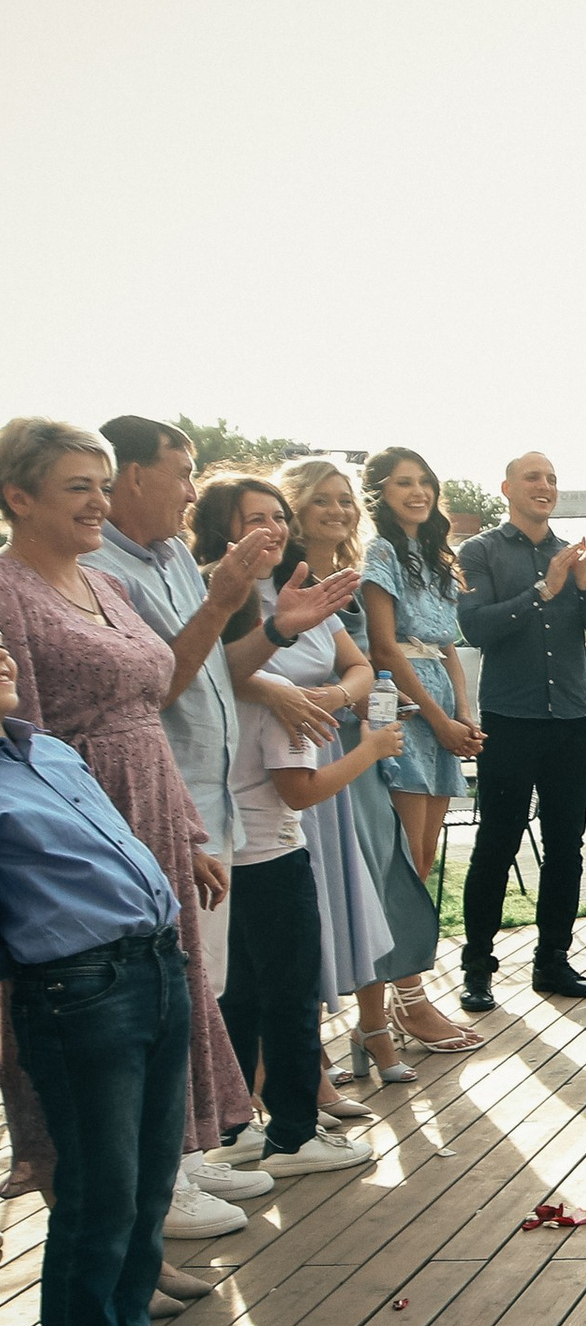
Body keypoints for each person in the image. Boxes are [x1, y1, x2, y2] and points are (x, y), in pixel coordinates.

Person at [90, 414, 359, 1236]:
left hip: (210, 809)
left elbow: (221, 671)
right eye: (181, 469)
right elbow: (158, 690)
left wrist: (277, 629)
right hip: (157, 806)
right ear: (132, 476)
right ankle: (165, 1181)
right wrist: (227, 603)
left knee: (203, 990)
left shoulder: (169, 556)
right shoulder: (106, 570)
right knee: (182, 994)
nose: (189, 485)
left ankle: (189, 1158)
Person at [0, 419, 255, 1171]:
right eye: (78, 488)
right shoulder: (7, 591)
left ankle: (156, 1204)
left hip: (151, 819)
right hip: (81, 835)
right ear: (18, 497)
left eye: (103, 488)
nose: (98, 505)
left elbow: (149, 714)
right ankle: (95, 1215)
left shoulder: (106, 583)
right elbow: (23, 745)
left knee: (163, 1012)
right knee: (96, 1028)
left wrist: (185, 831)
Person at [0, 633, 233, 1326]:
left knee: (141, 1188)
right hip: (76, 991)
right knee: (96, 1200)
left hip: (152, 966)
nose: (2, 654)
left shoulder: (48, 754)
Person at [215, 523, 410, 1176]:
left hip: (230, 843)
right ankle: (295, 1133)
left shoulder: (237, 681)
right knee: (289, 992)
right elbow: (301, 790)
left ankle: (235, 1125)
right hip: (271, 849)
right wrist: (371, 749)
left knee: (237, 992)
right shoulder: (286, 693)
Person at [273, 455, 450, 1077]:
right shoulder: (282, 579)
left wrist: (368, 704)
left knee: (380, 879)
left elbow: (364, 669)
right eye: (323, 499)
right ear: (295, 507)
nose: (338, 510)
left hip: (364, 744)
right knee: (321, 893)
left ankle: (372, 1027)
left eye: (344, 500)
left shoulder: (346, 571)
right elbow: (372, 654)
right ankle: (317, 1045)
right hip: (308, 749)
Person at [455, 451, 586, 1011]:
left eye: (552, 478)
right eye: (533, 477)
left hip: (572, 721)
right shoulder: (479, 552)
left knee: (565, 848)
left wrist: (582, 582)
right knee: (496, 845)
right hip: (510, 720)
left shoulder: (574, 554)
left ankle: (553, 961)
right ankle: (478, 967)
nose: (545, 486)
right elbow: (475, 628)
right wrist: (543, 591)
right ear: (506, 488)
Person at [357, 445, 485, 1056]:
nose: (417, 492)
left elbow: (449, 646)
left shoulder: (435, 557)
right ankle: (401, 1004)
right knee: (404, 862)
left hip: (438, 699)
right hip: (401, 702)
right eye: (402, 483)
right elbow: (384, 646)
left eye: (424, 482)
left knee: (426, 855)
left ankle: (399, 998)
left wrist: (464, 713)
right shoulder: (379, 552)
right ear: (379, 492)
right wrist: (436, 718)